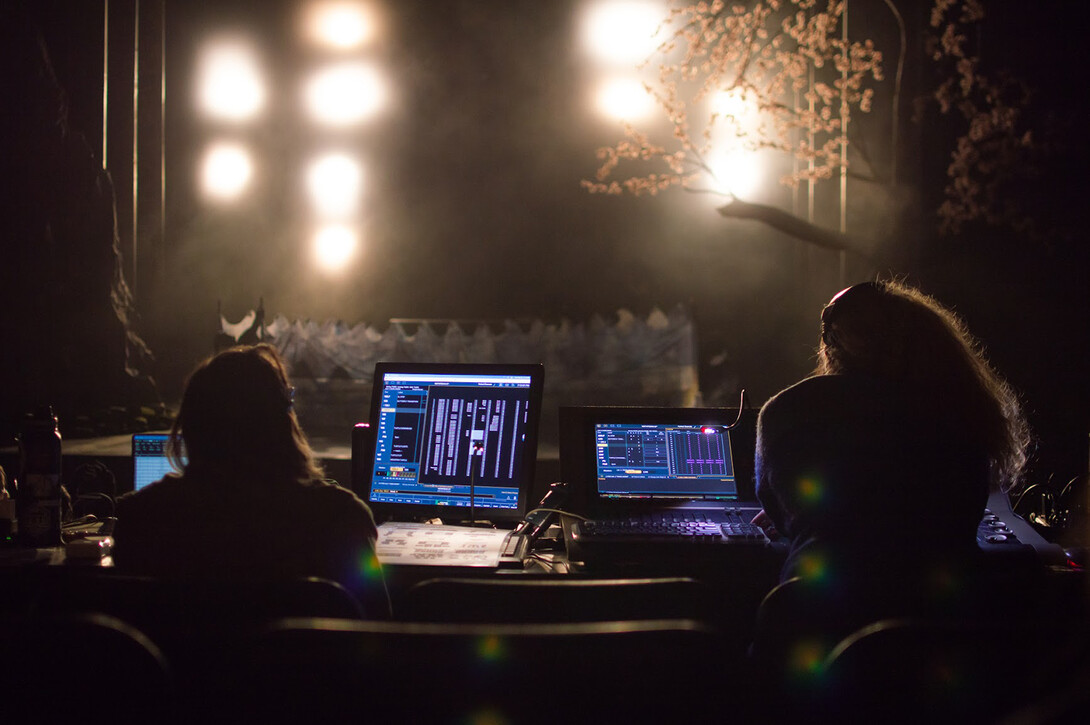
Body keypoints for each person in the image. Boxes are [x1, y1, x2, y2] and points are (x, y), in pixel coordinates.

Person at [747, 280, 1033, 694]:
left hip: (814, 628)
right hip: (944, 636)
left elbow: (782, 508)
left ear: (831, 340)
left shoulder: (788, 410)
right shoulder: (963, 412)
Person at [113, 344, 388, 615]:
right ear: (284, 423)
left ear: (192, 424)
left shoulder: (140, 519)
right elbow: (377, 633)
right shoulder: (341, 519)